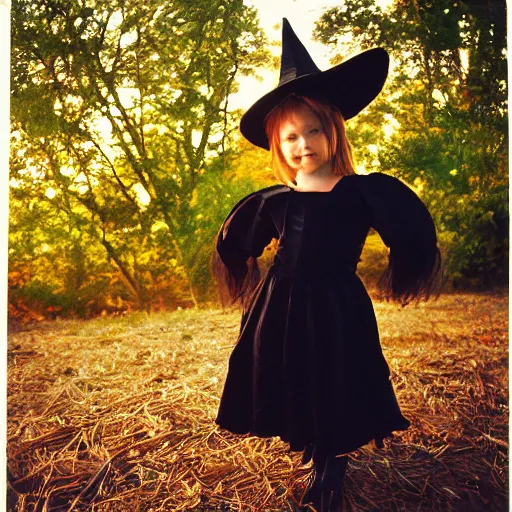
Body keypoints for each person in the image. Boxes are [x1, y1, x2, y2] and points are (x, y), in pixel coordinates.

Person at [212, 18, 442, 512]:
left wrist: (406, 263)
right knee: (293, 370)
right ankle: (311, 442)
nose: (304, 144)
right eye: (291, 137)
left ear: (333, 131)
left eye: (314, 130)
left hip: (336, 301)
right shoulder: (274, 200)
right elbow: (238, 240)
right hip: (282, 301)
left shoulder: (361, 192)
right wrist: (240, 261)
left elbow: (409, 228)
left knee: (337, 372)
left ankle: (333, 459)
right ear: (279, 145)